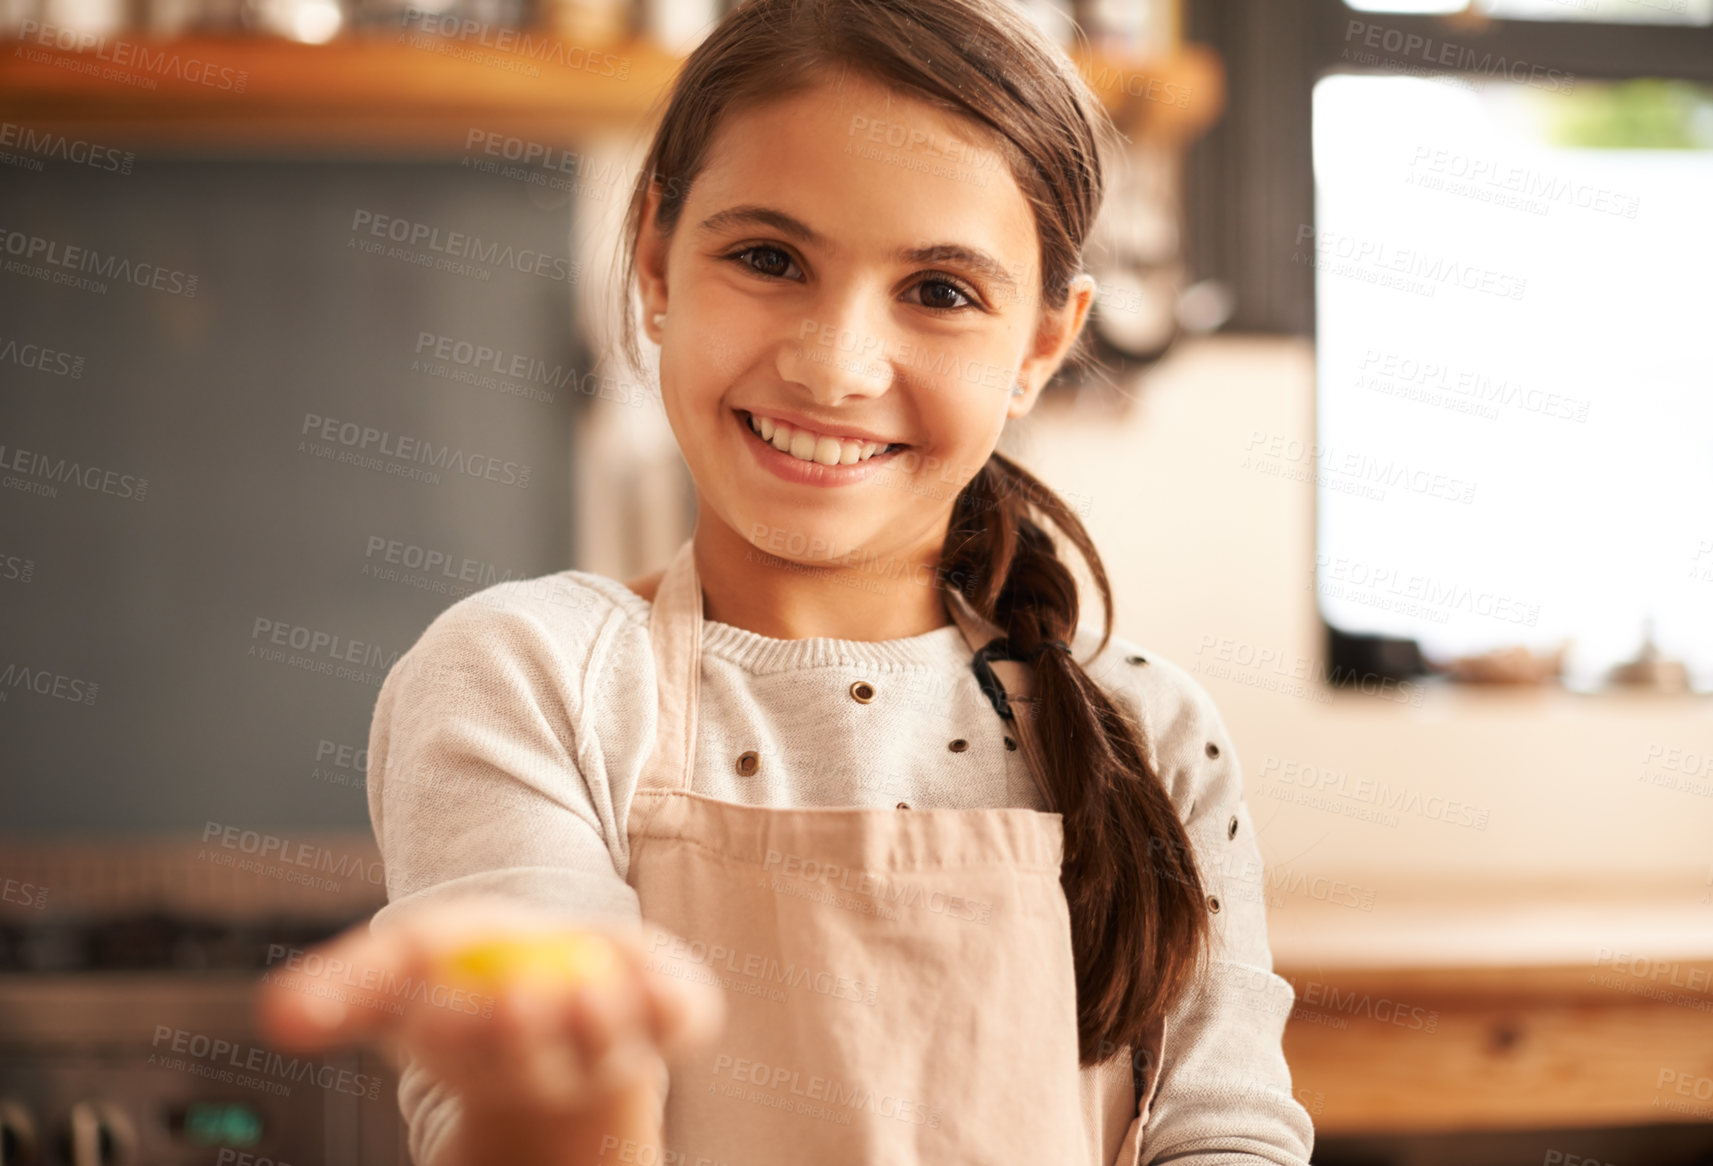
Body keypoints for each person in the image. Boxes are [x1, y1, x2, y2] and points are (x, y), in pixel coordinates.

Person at [259, 0, 1316, 1162]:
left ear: (1041, 346)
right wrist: (562, 1077)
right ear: (657, 259)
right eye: (769, 258)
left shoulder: (1149, 732)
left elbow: (1226, 1134)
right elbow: (525, 1105)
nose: (834, 363)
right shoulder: (530, 678)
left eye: (940, 291)